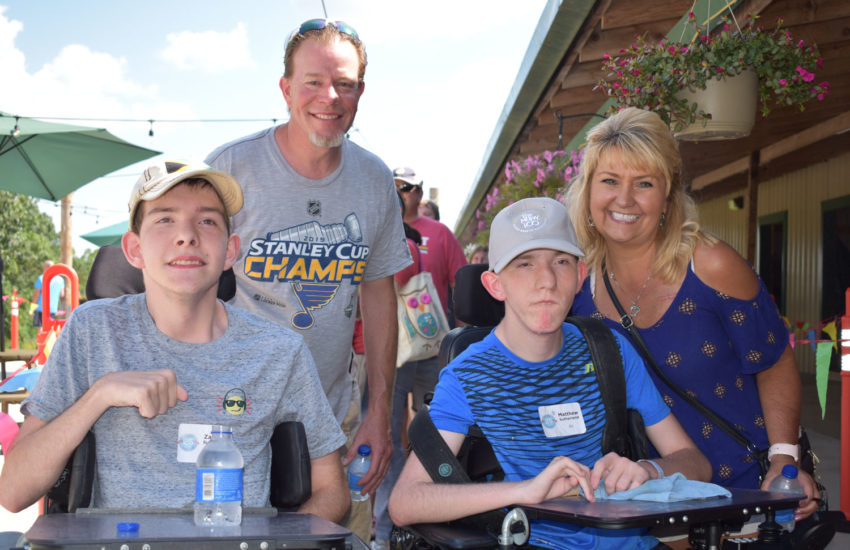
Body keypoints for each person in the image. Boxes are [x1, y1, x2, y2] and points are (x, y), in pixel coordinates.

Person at [0, 161, 349, 523]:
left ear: (230, 251)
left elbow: (333, 491)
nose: (187, 235)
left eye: (207, 221)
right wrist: (100, 395)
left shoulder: (280, 351)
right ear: (134, 249)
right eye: (165, 219)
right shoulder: (91, 331)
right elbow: (13, 491)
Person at [388, 197, 710, 550]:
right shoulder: (468, 375)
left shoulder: (609, 351)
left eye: (560, 262)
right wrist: (526, 491)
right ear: (496, 285)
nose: (546, 281)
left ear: (579, 276)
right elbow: (405, 503)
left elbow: (695, 463)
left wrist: (649, 470)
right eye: (524, 264)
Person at [205, 19, 410, 540]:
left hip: (334, 413)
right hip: (236, 412)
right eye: (314, 81)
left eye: (344, 83)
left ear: (360, 91)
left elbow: (380, 292)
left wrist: (379, 412)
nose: (330, 96)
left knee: (344, 539)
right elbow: (186, 283)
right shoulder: (231, 169)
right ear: (286, 89)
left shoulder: (373, 179)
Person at [566, 107, 817, 519]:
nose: (624, 199)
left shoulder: (710, 265)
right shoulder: (578, 288)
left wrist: (783, 461)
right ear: (588, 191)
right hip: (650, 501)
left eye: (643, 183)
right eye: (609, 181)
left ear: (667, 195)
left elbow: (773, 359)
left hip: (748, 492)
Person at [372, 168, 467, 549]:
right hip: (388, 352)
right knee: (389, 435)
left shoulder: (440, 234)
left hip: (433, 347)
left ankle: (433, 512)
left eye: (407, 188)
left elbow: (460, 281)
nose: (402, 195)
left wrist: (462, 341)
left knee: (436, 431)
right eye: (394, 188)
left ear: (419, 191)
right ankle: (387, 522)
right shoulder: (378, 231)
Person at [31, 260, 65, 327]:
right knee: (49, 328)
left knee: (40, 329)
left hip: (40, 308)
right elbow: (62, 294)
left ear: (45, 267)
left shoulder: (41, 278)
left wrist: (31, 309)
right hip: (52, 309)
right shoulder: (60, 280)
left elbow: (36, 295)